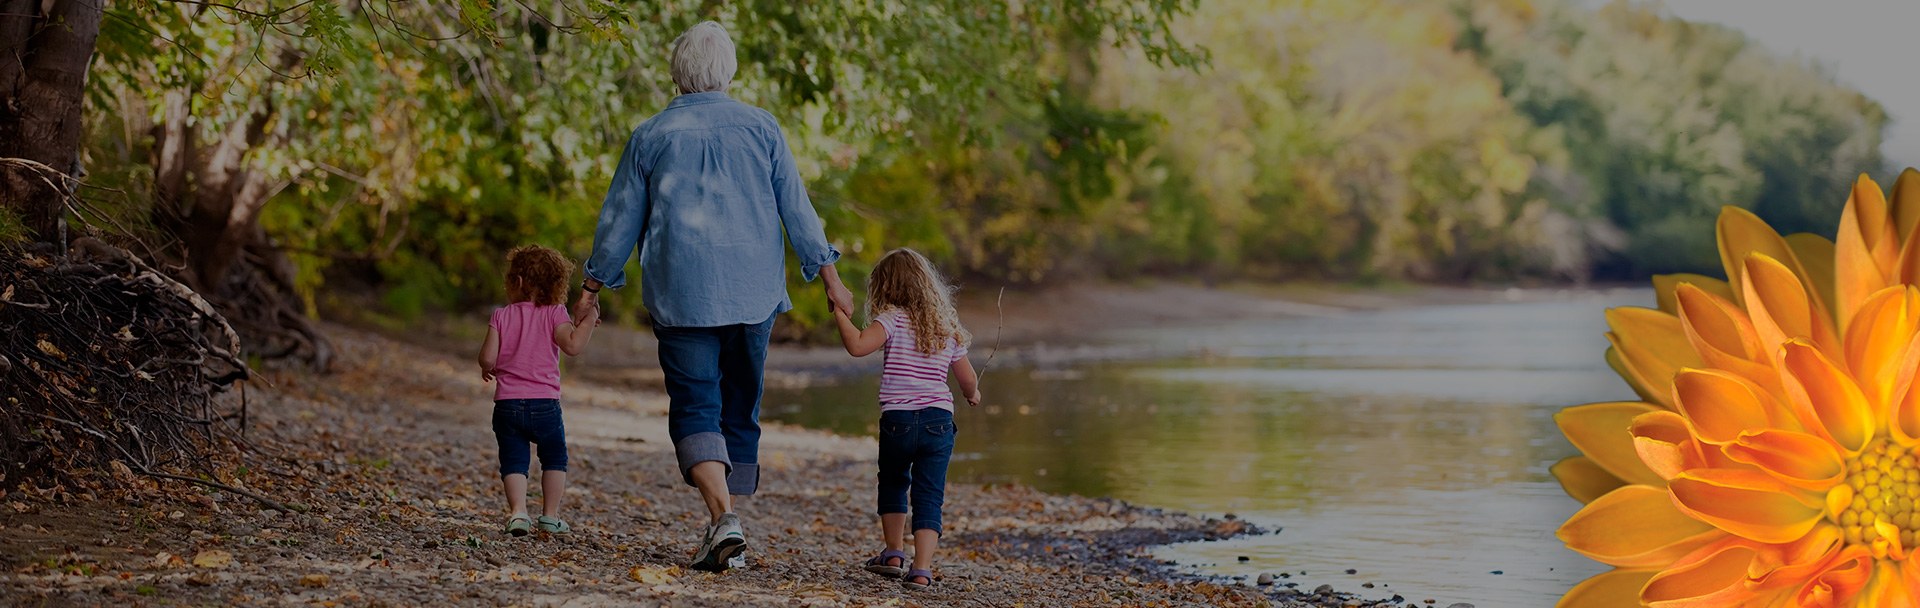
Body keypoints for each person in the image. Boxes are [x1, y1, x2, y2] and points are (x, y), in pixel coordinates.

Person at [578, 21, 854, 571]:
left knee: (696, 405)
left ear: (678, 72)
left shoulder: (651, 135)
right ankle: (725, 520)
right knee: (738, 407)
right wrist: (829, 275)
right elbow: (797, 208)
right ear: (727, 71)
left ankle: (723, 520)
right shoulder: (762, 128)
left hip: (682, 296)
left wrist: (591, 287)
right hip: (753, 295)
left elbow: (619, 223)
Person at [830, 248, 981, 591]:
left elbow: (856, 346)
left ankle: (895, 553)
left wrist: (839, 312)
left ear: (885, 287)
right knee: (929, 493)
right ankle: (922, 569)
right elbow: (967, 380)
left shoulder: (892, 320)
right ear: (927, 284)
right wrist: (973, 394)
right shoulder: (946, 326)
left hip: (898, 420)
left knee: (894, 481)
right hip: (938, 422)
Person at [478, 245, 600, 537]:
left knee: (513, 459)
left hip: (507, 404)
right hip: (545, 404)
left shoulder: (501, 316)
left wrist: (486, 367)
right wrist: (589, 320)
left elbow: (487, 358)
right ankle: (549, 516)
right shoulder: (554, 313)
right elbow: (572, 345)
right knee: (555, 458)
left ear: (517, 282)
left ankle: (519, 513)